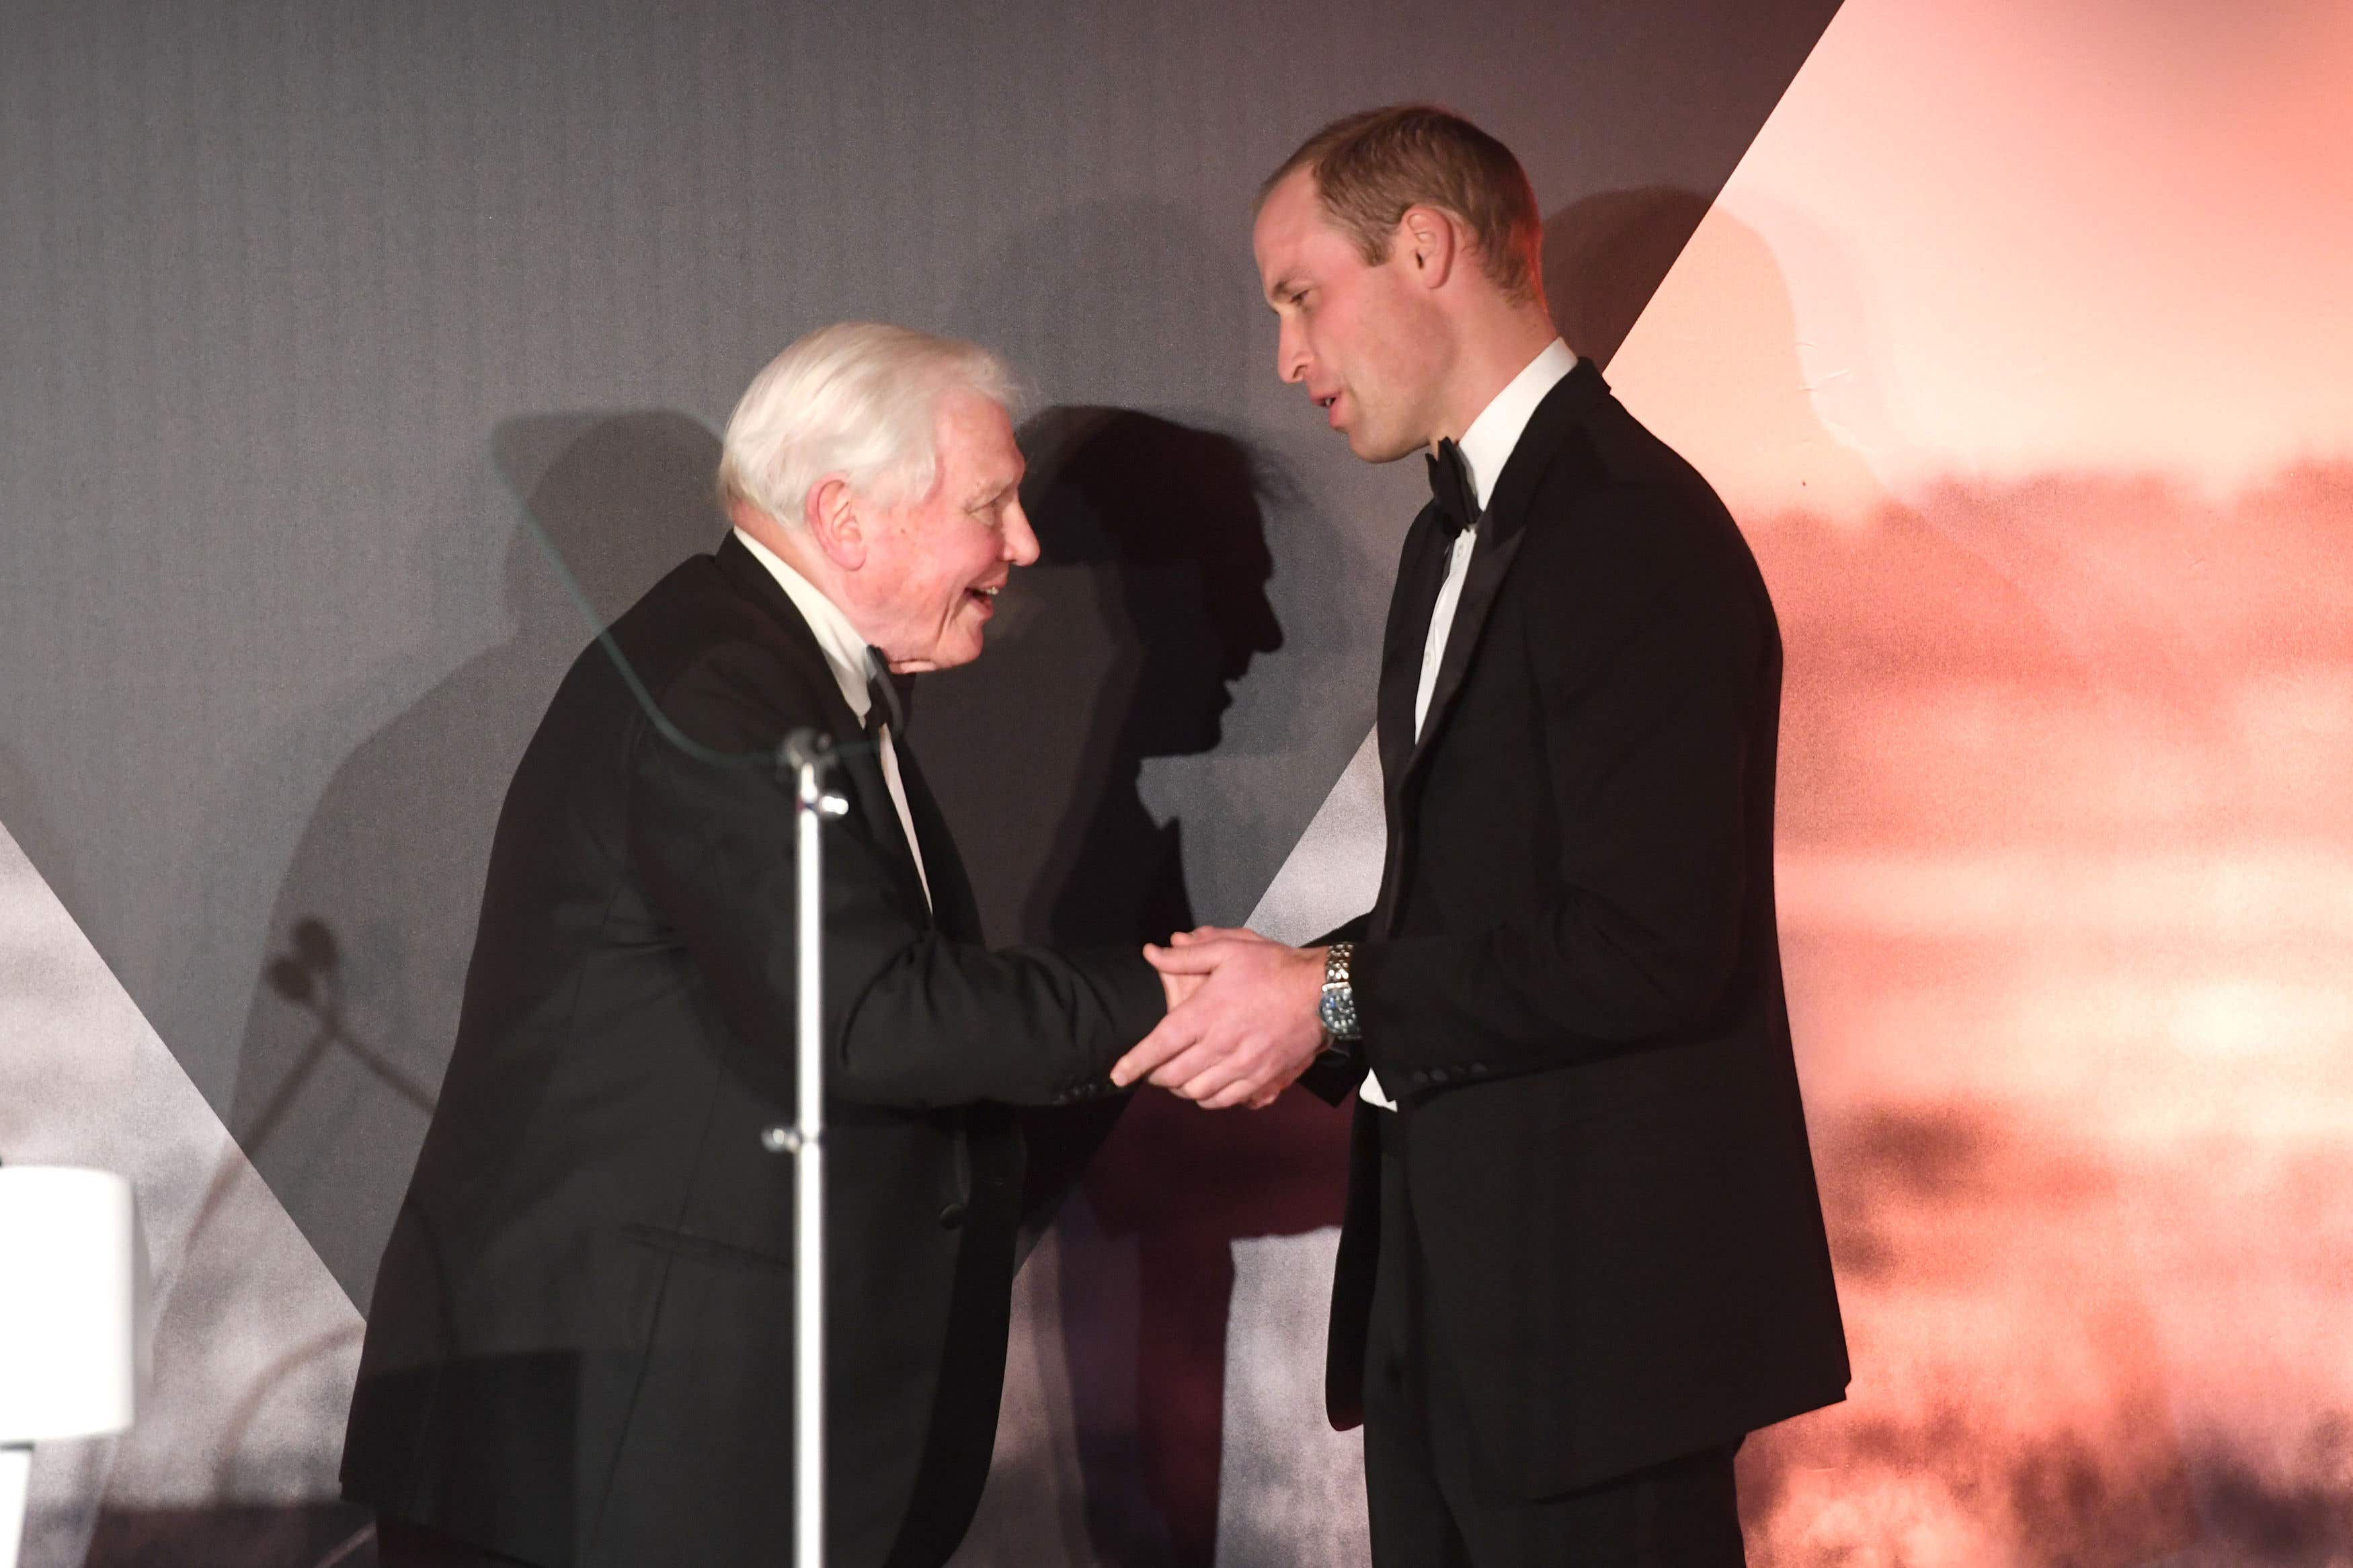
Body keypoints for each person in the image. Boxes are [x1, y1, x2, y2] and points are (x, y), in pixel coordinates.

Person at [1113, 106, 1850, 1565]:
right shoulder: (1451, 534)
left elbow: (1649, 952)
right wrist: (1286, 991)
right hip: (1453, 1321)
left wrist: (1321, 997)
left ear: (1427, 250)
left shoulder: (1634, 532)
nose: (1287, 359)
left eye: (1300, 296)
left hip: (1596, 1348)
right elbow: (1481, 920)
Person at [342, 323, 1172, 1568]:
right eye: (992, 505)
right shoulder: (717, 685)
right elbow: (871, 1015)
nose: (1026, 544)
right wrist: (1180, 1001)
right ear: (845, 518)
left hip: (658, 1456)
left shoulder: (770, 671)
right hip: (609, 1469)